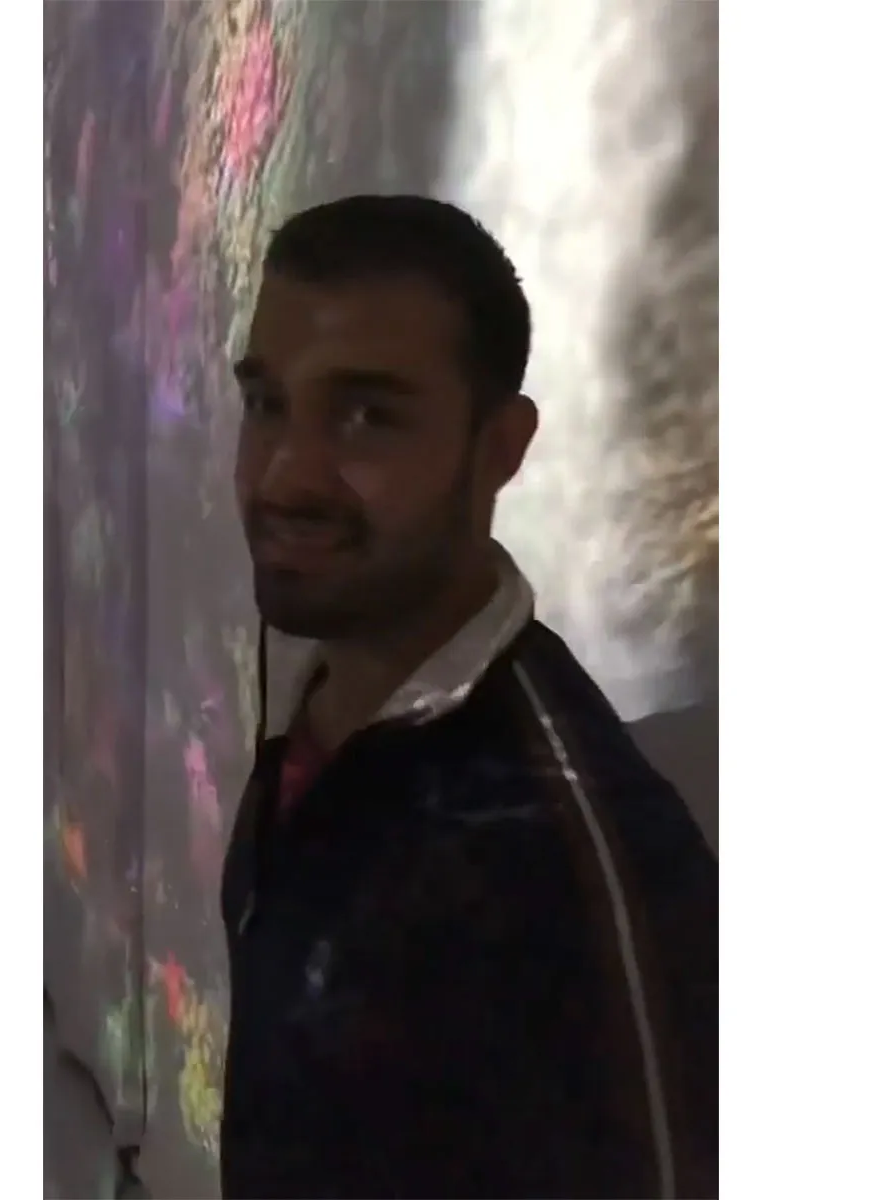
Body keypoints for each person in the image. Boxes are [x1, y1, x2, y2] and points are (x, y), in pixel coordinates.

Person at [220, 194, 717, 1199]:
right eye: (268, 403)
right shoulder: (318, 705)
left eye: (367, 416)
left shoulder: (576, 859)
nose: (283, 476)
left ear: (502, 447)